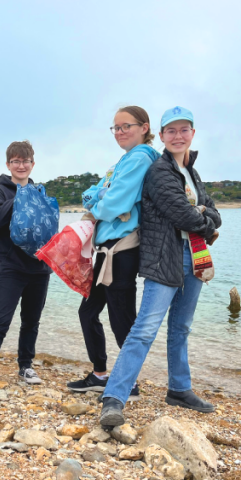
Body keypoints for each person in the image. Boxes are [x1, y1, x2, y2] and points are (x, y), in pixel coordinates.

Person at [100, 106, 221, 425]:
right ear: (162, 134)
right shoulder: (159, 171)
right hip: (164, 257)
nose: (178, 136)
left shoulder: (191, 173)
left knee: (181, 326)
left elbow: (213, 211)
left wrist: (204, 216)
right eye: (172, 131)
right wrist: (204, 218)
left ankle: (179, 389)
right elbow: (182, 214)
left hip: (194, 256)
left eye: (184, 130)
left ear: (192, 134)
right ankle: (113, 397)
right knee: (144, 329)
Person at [65, 106, 161, 400]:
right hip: (105, 251)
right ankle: (99, 374)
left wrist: (99, 203)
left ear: (144, 127)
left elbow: (114, 202)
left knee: (122, 318)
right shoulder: (125, 159)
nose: (119, 132)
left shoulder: (141, 158)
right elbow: (91, 192)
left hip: (122, 251)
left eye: (126, 126)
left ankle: (128, 383)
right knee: (88, 312)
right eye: (115, 128)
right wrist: (100, 197)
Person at [0, 141, 53, 397]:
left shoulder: (40, 190)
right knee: (0, 321)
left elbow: (49, 225)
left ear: (32, 164)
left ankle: (26, 366)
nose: (21, 165)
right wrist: (22, 196)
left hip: (40, 267)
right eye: (16, 161)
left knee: (31, 321)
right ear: (8, 164)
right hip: (11, 266)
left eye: (25, 161)